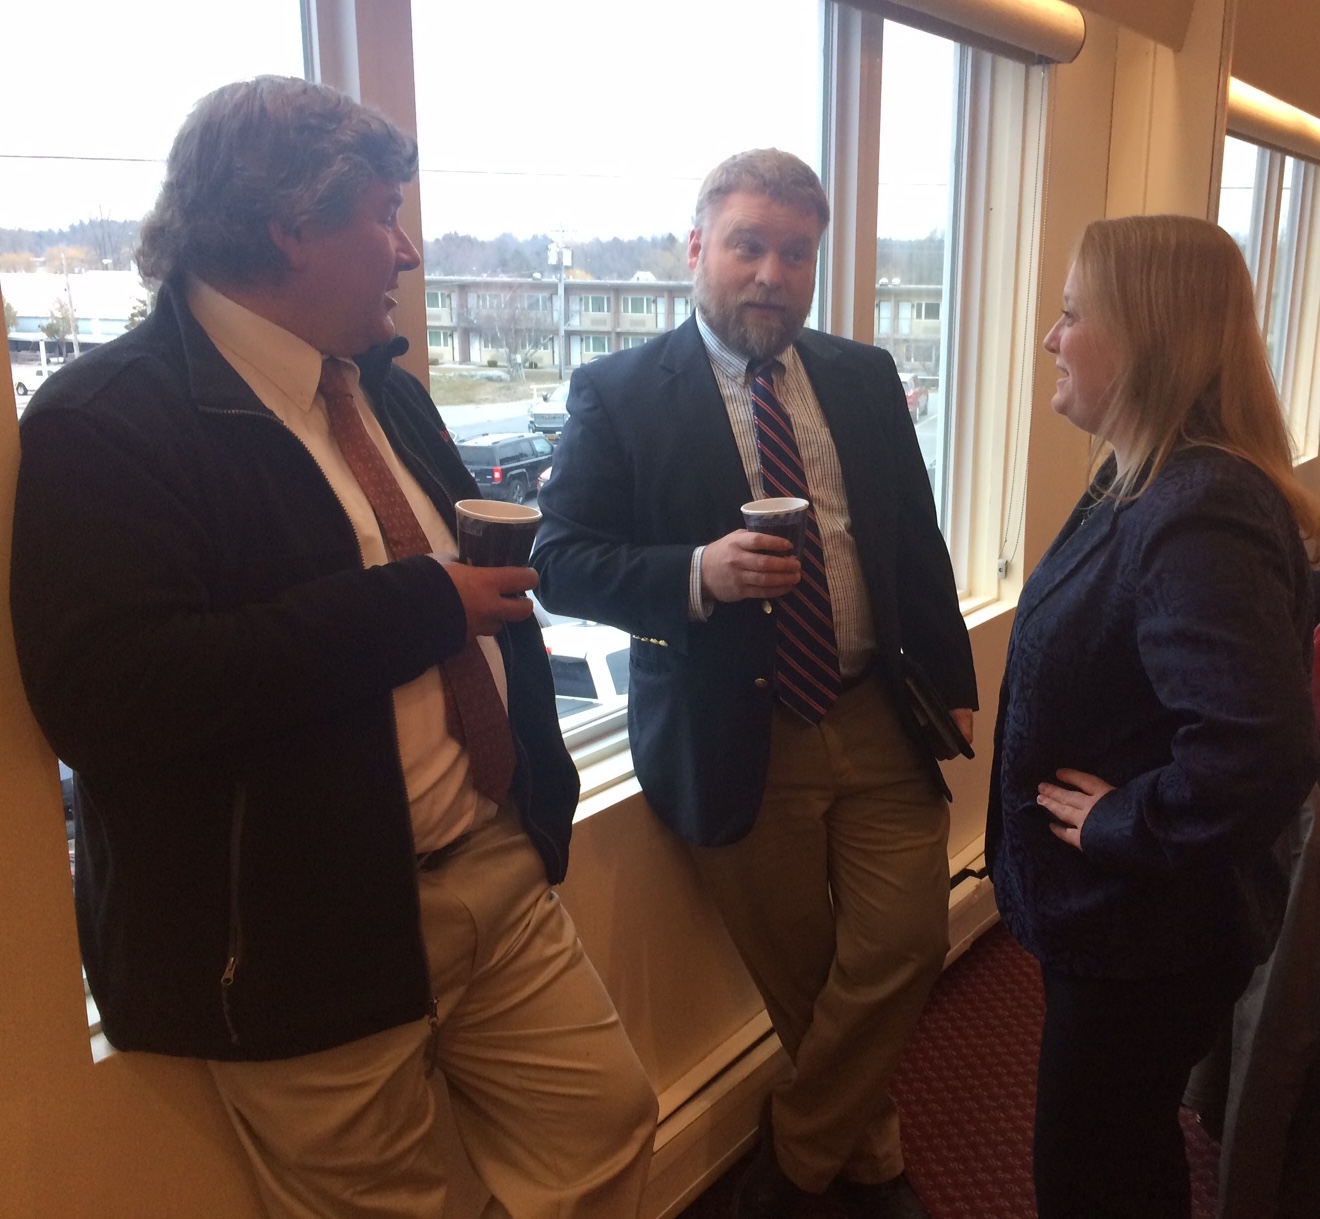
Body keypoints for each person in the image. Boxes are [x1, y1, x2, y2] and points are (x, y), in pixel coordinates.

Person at [9, 76, 656, 1219]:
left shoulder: (381, 389)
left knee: (606, 1129)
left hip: (493, 872)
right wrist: (419, 605)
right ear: (291, 226)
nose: (406, 249)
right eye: (384, 215)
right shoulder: (103, 420)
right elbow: (107, 697)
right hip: (296, 939)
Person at [532, 148, 977, 1219]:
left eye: (796, 252)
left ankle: (792, 1162)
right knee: (805, 973)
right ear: (698, 248)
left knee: (906, 941)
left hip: (875, 712)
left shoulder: (862, 376)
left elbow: (913, 537)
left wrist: (952, 675)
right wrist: (696, 572)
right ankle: (868, 1162)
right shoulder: (620, 393)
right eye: (749, 246)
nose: (773, 274)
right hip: (736, 733)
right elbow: (558, 558)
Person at [986, 213, 1320, 1219]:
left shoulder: (1196, 506)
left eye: (1072, 314)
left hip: (1147, 931)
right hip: (1125, 922)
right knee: (1125, 1156)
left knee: (1092, 1178)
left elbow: (1258, 749)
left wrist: (1122, 821)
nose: (1052, 338)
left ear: (1144, 338)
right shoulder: (1143, 474)